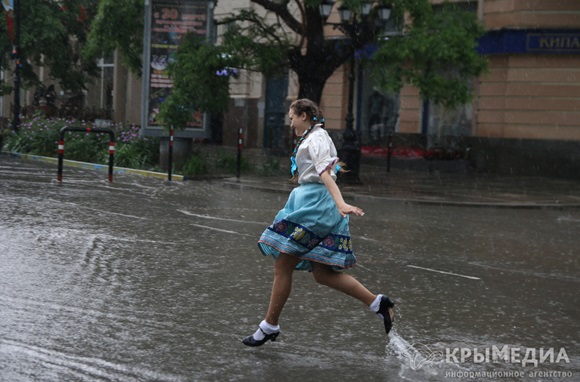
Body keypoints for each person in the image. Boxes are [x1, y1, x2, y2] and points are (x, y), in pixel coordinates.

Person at [242, 98, 395, 347]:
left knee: (283, 265)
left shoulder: (317, 138)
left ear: (304, 115)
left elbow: (324, 172)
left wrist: (341, 203)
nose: (290, 123)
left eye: (292, 118)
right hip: (310, 201)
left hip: (316, 206)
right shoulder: (312, 137)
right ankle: (378, 303)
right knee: (322, 273)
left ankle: (269, 326)